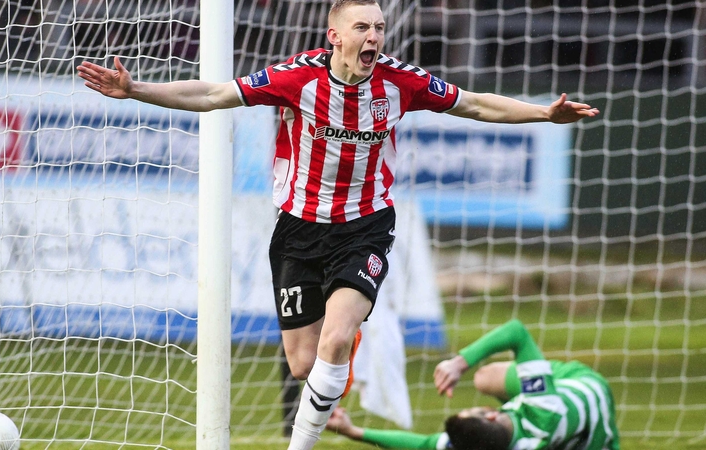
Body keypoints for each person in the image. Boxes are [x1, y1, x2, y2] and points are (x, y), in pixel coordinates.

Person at [76, 1, 599, 448]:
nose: (373, 37)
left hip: (364, 226)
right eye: (362, 27)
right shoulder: (296, 77)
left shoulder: (401, 82)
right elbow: (213, 95)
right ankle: (342, 350)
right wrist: (136, 89)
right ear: (335, 36)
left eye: (379, 28)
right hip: (298, 230)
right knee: (304, 364)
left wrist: (542, 114)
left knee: (334, 340)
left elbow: (477, 105)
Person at [326, 319, 620, 449]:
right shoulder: (542, 406)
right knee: (483, 377)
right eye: (474, 410)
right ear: (491, 415)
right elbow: (517, 332)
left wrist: (354, 432)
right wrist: (459, 363)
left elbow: (424, 445)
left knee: (485, 379)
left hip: (564, 426)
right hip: (583, 385)